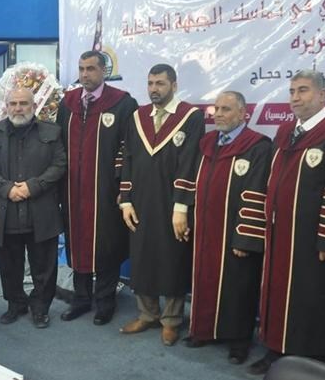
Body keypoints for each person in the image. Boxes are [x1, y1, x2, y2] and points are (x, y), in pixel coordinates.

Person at [249, 70, 325, 374]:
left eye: (303, 90)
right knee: (276, 291)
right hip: (279, 232)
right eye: (292, 91)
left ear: (322, 95)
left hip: (312, 239)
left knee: (312, 297)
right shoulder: (285, 132)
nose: (295, 97)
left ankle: (313, 359)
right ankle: (276, 349)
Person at [119, 63, 205, 346]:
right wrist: (126, 200)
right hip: (141, 200)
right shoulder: (137, 117)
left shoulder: (191, 117)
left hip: (172, 202)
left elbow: (190, 162)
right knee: (142, 256)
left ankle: (171, 320)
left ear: (174, 85)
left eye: (160, 84)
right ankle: (147, 314)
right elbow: (128, 158)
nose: (154, 89)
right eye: (150, 83)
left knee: (172, 259)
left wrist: (182, 207)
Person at [184, 91, 271, 364]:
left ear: (243, 113)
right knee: (204, 280)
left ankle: (238, 341)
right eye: (216, 109)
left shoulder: (258, 146)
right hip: (206, 230)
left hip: (235, 232)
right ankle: (205, 330)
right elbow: (194, 182)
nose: (218, 114)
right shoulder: (207, 143)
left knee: (238, 287)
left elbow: (258, 193)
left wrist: (245, 238)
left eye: (226, 109)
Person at [56, 50, 138, 325]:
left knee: (106, 245)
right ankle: (81, 299)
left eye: (91, 69)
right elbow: (58, 147)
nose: (85, 74)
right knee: (77, 243)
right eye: (81, 69)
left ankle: (105, 302)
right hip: (72, 191)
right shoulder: (68, 104)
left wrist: (122, 188)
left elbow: (129, 150)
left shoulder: (122, 104)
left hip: (105, 190)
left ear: (104, 71)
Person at [0, 86, 66, 329]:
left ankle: (40, 308)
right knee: (9, 266)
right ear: (6, 106)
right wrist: (7, 188)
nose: (18, 108)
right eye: (13, 103)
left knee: (44, 266)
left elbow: (59, 164)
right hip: (7, 212)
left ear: (34, 106)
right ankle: (15, 304)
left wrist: (32, 187)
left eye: (24, 103)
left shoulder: (52, 132)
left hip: (41, 211)